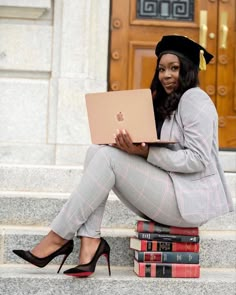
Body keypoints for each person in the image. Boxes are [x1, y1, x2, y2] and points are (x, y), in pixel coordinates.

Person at [13, 35, 233, 278]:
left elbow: (198, 159)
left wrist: (146, 152)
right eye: (161, 69)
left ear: (188, 69)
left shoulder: (194, 98)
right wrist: (130, 145)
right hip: (171, 191)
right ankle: (89, 242)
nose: (166, 75)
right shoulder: (166, 102)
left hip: (187, 200)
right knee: (97, 151)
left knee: (106, 156)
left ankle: (58, 238)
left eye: (174, 68)